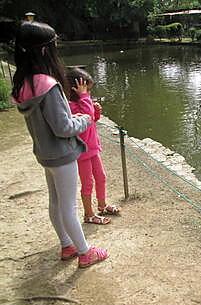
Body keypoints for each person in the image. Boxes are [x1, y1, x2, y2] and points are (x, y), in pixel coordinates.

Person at [12, 21, 108, 268]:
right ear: (44, 50)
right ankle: (86, 252)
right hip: (63, 155)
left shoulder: (25, 83)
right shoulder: (48, 85)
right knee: (68, 206)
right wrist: (85, 118)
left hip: (45, 154)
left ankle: (67, 246)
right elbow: (63, 128)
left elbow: (51, 121)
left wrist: (72, 117)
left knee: (55, 202)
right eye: (54, 46)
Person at [66, 67, 120, 225]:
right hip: (82, 152)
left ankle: (102, 205)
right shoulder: (70, 106)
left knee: (101, 177)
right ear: (75, 89)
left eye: (89, 91)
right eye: (86, 90)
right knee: (87, 183)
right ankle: (88, 214)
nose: (88, 94)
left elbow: (91, 120)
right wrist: (86, 101)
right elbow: (85, 118)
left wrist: (96, 112)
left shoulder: (83, 102)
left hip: (93, 148)